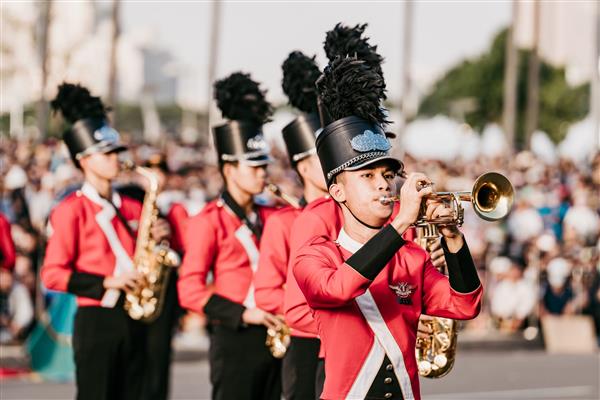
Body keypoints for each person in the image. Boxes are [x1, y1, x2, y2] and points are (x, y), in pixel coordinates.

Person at [293, 57, 483, 400]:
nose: (383, 185)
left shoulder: (411, 258)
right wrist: (402, 222)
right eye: (367, 176)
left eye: (387, 175)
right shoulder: (316, 254)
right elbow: (337, 288)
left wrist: (453, 237)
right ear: (337, 191)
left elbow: (464, 305)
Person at [40, 83, 170, 400]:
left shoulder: (133, 205)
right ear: (84, 160)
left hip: (137, 315)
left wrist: (159, 240)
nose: (116, 159)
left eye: (116, 152)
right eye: (107, 153)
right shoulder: (70, 210)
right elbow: (52, 274)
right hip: (97, 318)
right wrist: (109, 281)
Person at [178, 72, 282, 400]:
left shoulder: (272, 215)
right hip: (236, 335)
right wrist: (241, 313)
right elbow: (189, 289)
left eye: (263, 165)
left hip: (278, 331)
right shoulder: (209, 220)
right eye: (253, 166)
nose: (262, 173)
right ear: (228, 169)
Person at [254, 51, 328, 400]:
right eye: (322, 158)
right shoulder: (284, 222)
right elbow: (266, 291)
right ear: (301, 166)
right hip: (304, 343)